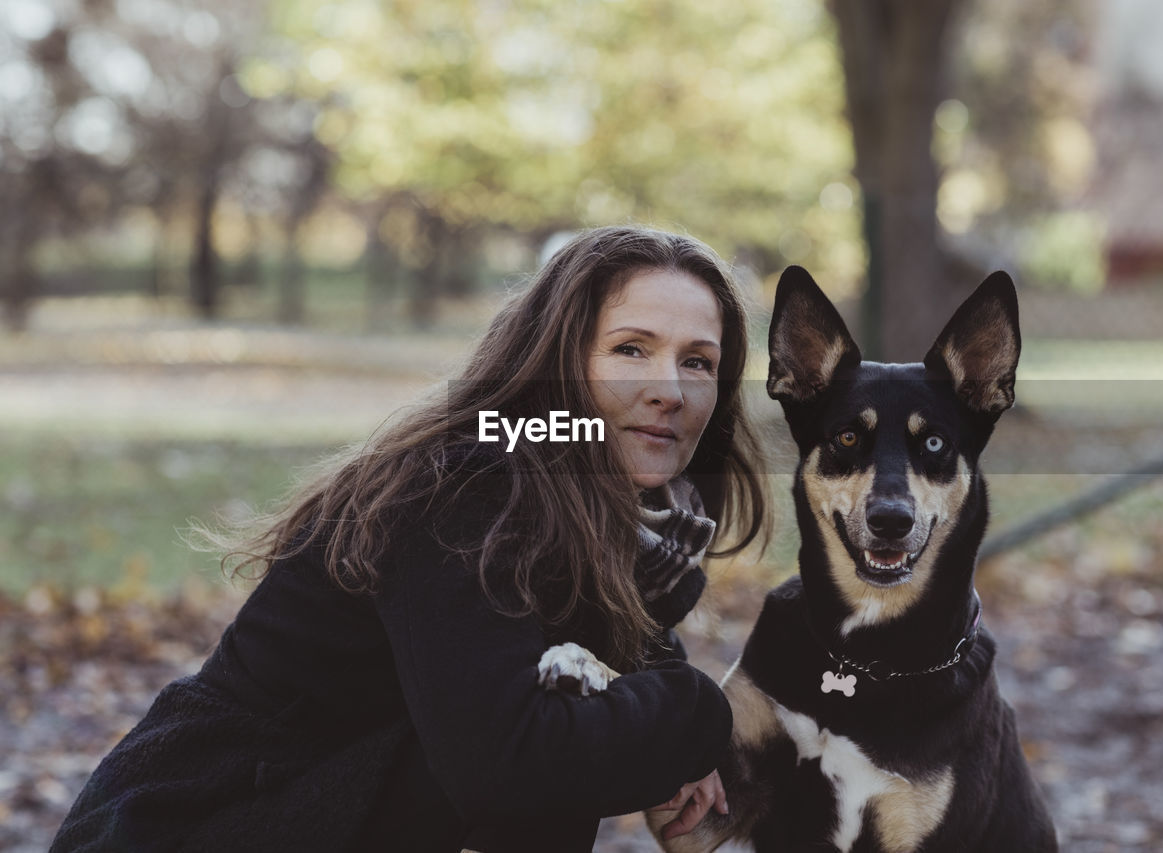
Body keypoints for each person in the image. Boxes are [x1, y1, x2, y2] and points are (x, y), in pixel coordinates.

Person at [52, 225, 770, 852]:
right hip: (178, 830)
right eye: (631, 349)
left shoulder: (607, 517)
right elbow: (508, 766)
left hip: (293, 815)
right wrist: (695, 716)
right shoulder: (465, 488)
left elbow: (622, 681)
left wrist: (655, 723)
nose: (670, 388)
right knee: (539, 728)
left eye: (698, 361)